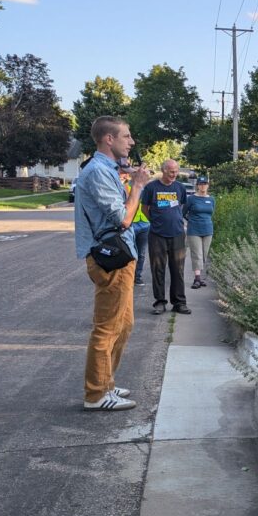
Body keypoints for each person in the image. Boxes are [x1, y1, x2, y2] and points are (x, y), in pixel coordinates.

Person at [74, 116, 151, 411]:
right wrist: (138, 187)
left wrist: (128, 178)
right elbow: (123, 218)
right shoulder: (96, 172)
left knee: (125, 323)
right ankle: (95, 394)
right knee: (107, 327)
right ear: (109, 139)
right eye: (126, 136)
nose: (131, 142)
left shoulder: (107, 169)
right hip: (110, 257)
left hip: (122, 255)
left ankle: (106, 382)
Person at [141, 159, 191, 315]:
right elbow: (144, 209)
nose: (174, 174)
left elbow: (181, 206)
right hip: (157, 235)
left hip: (177, 234)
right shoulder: (151, 187)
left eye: (176, 171)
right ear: (163, 171)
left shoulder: (180, 187)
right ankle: (160, 302)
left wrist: (174, 219)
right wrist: (156, 222)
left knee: (178, 270)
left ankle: (179, 303)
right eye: (171, 171)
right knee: (158, 269)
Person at [182, 175, 215, 289]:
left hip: (208, 229)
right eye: (201, 184)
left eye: (205, 184)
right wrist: (190, 221)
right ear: (197, 186)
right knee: (197, 254)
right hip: (194, 229)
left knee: (204, 254)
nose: (203, 186)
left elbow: (211, 213)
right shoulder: (191, 199)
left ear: (208, 185)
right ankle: (197, 279)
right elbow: (183, 212)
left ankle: (200, 278)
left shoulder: (211, 199)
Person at [120, 169, 150, 286]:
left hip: (145, 223)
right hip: (130, 223)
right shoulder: (125, 187)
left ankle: (137, 277)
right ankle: (127, 276)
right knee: (128, 252)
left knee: (141, 253)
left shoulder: (147, 188)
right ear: (132, 175)